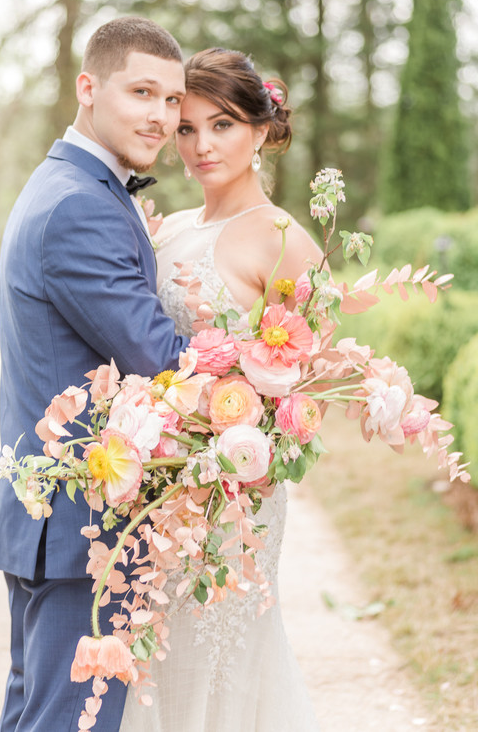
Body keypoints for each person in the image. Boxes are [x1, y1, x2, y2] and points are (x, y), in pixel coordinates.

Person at [0, 16, 191, 732]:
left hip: (55, 522)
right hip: (84, 527)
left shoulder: (71, 185)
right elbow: (159, 356)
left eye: (172, 100)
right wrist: (258, 354)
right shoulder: (80, 205)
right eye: (142, 91)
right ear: (88, 88)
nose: (161, 116)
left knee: (36, 715)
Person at [119, 47, 323, 731]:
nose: (201, 145)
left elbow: (315, 378)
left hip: (237, 492)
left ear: (262, 130)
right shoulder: (167, 229)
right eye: (187, 127)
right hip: (159, 483)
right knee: (157, 656)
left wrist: (237, 424)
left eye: (224, 124)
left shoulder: (284, 239)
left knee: (223, 655)